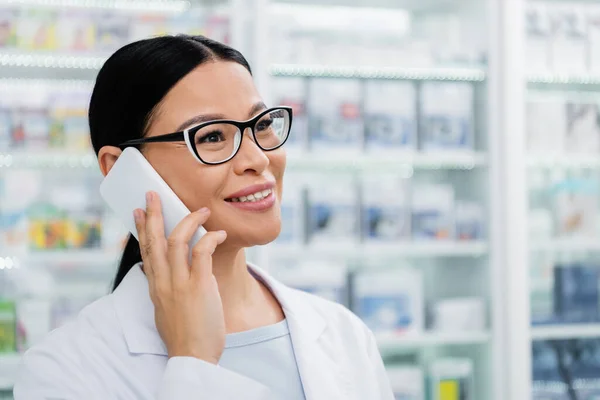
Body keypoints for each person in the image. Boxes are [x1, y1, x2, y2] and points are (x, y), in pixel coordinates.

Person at [13, 35, 394, 399]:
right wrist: (193, 362)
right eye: (212, 136)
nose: (258, 159)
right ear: (120, 169)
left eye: (261, 125)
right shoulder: (65, 369)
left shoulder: (343, 333)